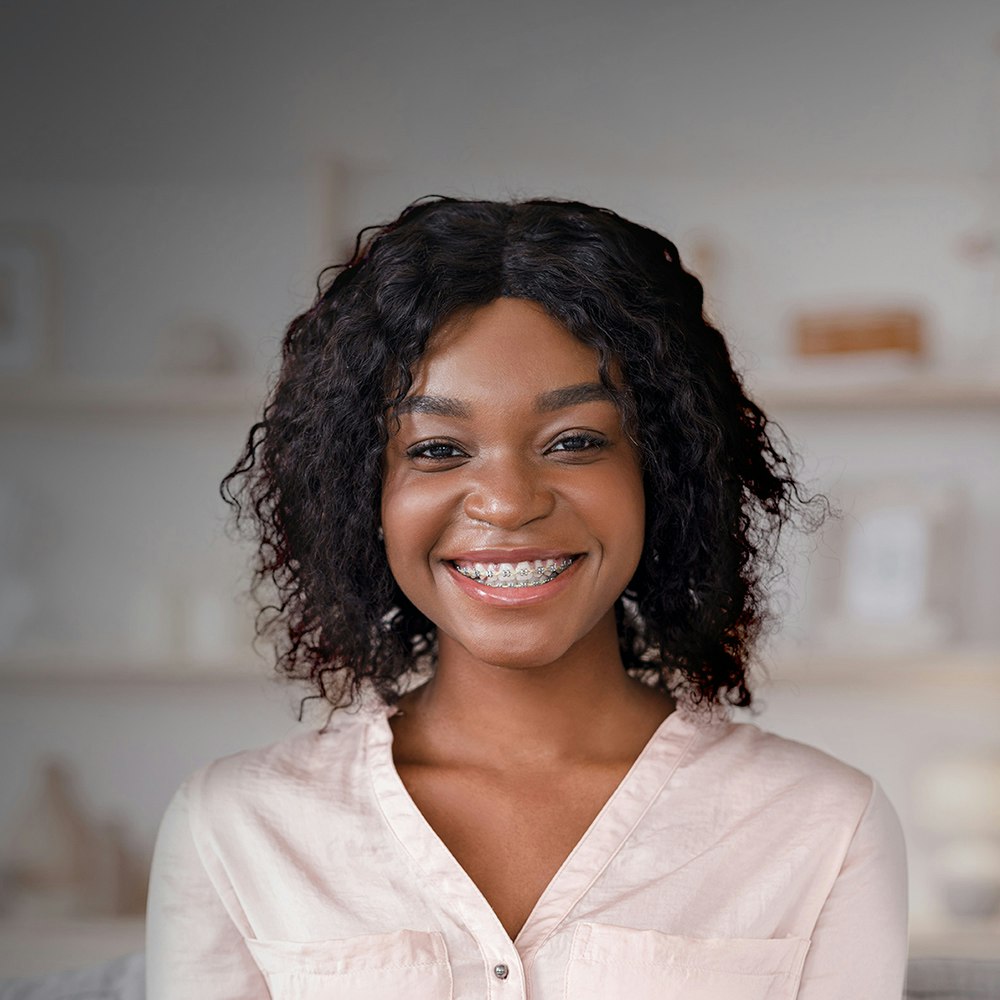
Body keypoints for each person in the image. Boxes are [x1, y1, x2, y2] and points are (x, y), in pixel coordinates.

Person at [145, 196, 908, 999]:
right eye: (438, 449)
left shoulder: (822, 827)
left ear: (663, 474)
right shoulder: (233, 829)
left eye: (575, 441)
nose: (507, 503)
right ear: (360, 493)